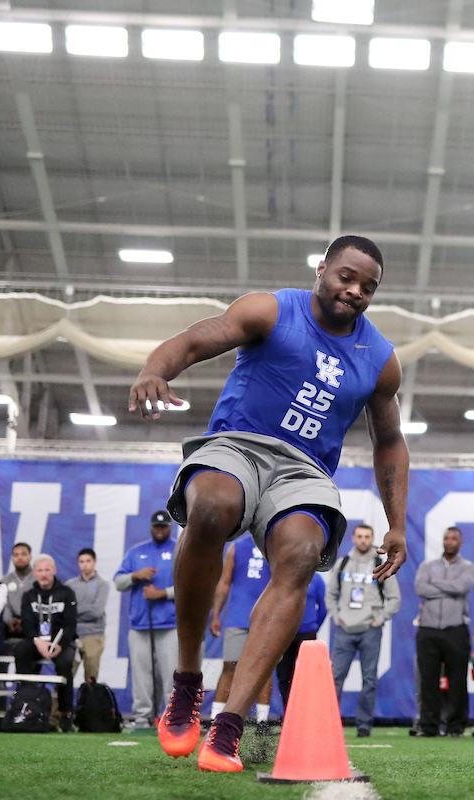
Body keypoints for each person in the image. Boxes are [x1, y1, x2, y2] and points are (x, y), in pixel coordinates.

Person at [129, 234, 408, 772]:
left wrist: (397, 523)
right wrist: (156, 369)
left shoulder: (380, 358)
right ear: (322, 269)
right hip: (239, 443)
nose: (354, 291)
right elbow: (197, 337)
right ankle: (187, 683)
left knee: (302, 554)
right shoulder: (273, 309)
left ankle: (229, 726)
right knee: (211, 508)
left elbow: (390, 440)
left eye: (367, 287)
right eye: (346, 277)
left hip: (304, 471)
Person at [328, 523, 402, 737]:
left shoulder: (381, 563)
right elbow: (330, 594)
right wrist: (337, 617)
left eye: (367, 536)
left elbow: (394, 598)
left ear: (372, 539)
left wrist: (379, 619)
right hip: (345, 628)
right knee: (335, 678)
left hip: (370, 628)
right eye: (359, 536)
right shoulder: (342, 563)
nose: (363, 540)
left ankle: (364, 724)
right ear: (353, 538)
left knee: (369, 679)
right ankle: (330, 723)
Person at [114, 510, 178, 728]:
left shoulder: (179, 549)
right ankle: (143, 717)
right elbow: (118, 582)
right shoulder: (136, 552)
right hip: (140, 624)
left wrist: (162, 593)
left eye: (164, 527)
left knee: (171, 675)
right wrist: (135, 575)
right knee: (141, 675)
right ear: (151, 528)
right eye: (156, 527)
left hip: (169, 624)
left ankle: (171, 718)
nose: (160, 531)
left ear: (170, 528)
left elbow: (190, 587)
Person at [415, 526, 474, 737]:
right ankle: (429, 726)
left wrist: (437, 584)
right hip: (428, 629)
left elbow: (462, 587)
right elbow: (420, 588)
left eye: (454, 538)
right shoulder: (427, 565)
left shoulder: (469, 567)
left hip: (455, 629)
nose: (449, 541)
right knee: (428, 679)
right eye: (446, 538)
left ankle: (455, 726)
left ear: (460, 543)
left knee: (457, 680)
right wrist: (448, 587)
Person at [209, 538, 274, 724]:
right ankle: (215, 718)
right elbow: (224, 582)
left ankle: (262, 723)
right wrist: (216, 614)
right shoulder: (236, 547)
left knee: (265, 670)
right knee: (229, 667)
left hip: (266, 619)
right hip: (238, 618)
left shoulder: (275, 544)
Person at [14, 554, 78, 732]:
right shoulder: (29, 595)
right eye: (40, 570)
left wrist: (61, 644)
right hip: (37, 641)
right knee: (20, 651)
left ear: (54, 571)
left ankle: (66, 715)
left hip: (60, 643)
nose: (43, 574)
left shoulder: (66, 593)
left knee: (66, 664)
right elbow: (26, 623)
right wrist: (37, 641)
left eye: (47, 570)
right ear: (34, 573)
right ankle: (26, 705)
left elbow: (70, 624)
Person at [276, 572, 328, 714]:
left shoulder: (316, 579)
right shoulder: (282, 576)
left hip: (307, 633)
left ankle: (308, 713)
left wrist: (313, 625)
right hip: (284, 633)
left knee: (308, 676)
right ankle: (289, 715)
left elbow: (323, 606)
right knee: (284, 676)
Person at [65, 548, 110, 683]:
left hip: (94, 635)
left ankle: (88, 704)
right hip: (73, 635)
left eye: (88, 561)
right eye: (81, 561)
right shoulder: (70, 585)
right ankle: (59, 705)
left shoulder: (102, 584)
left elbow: (97, 612)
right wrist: (88, 608)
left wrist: (75, 610)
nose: (85, 565)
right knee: (66, 677)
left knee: (91, 678)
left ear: (94, 562)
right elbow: (67, 612)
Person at [2, 542, 36, 638]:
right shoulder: (4, 581)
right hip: (10, 623)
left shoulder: (39, 579)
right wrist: (9, 620)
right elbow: (4, 605)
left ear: (30, 557)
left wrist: (26, 620)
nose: (20, 558)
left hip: (34, 621)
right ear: (12, 558)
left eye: (23, 554)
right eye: (16, 555)